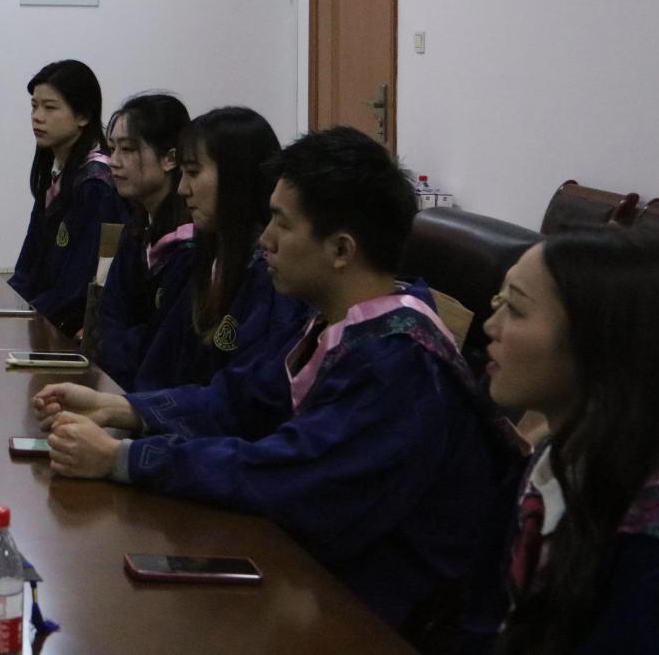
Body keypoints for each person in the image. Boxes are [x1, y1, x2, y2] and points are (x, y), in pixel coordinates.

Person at [37, 126, 522, 647]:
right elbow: (242, 398)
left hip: (383, 624)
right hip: (322, 582)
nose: (265, 238)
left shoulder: (398, 363)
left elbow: (289, 478)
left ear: (341, 249)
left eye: (281, 223)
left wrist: (123, 459)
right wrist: (123, 409)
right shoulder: (338, 323)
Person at [488, 230, 659, 654]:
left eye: (516, 309)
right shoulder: (557, 455)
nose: (489, 326)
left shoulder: (653, 547)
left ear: (600, 342)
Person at [123, 107, 307, 393]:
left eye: (193, 172)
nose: (182, 188)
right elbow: (159, 362)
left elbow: (245, 397)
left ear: (239, 175)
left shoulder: (271, 277)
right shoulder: (195, 259)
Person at [7, 59, 127, 334]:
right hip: (44, 316)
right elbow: (27, 271)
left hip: (70, 328)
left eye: (50, 108)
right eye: (34, 106)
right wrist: (4, 307)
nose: (38, 116)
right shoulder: (56, 177)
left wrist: (23, 320)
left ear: (83, 116)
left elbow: (76, 288)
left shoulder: (97, 185)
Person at [91, 92, 192, 389]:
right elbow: (109, 314)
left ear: (170, 158)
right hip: (117, 380)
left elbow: (165, 342)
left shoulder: (190, 244)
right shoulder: (138, 230)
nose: (114, 162)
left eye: (128, 149)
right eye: (112, 149)